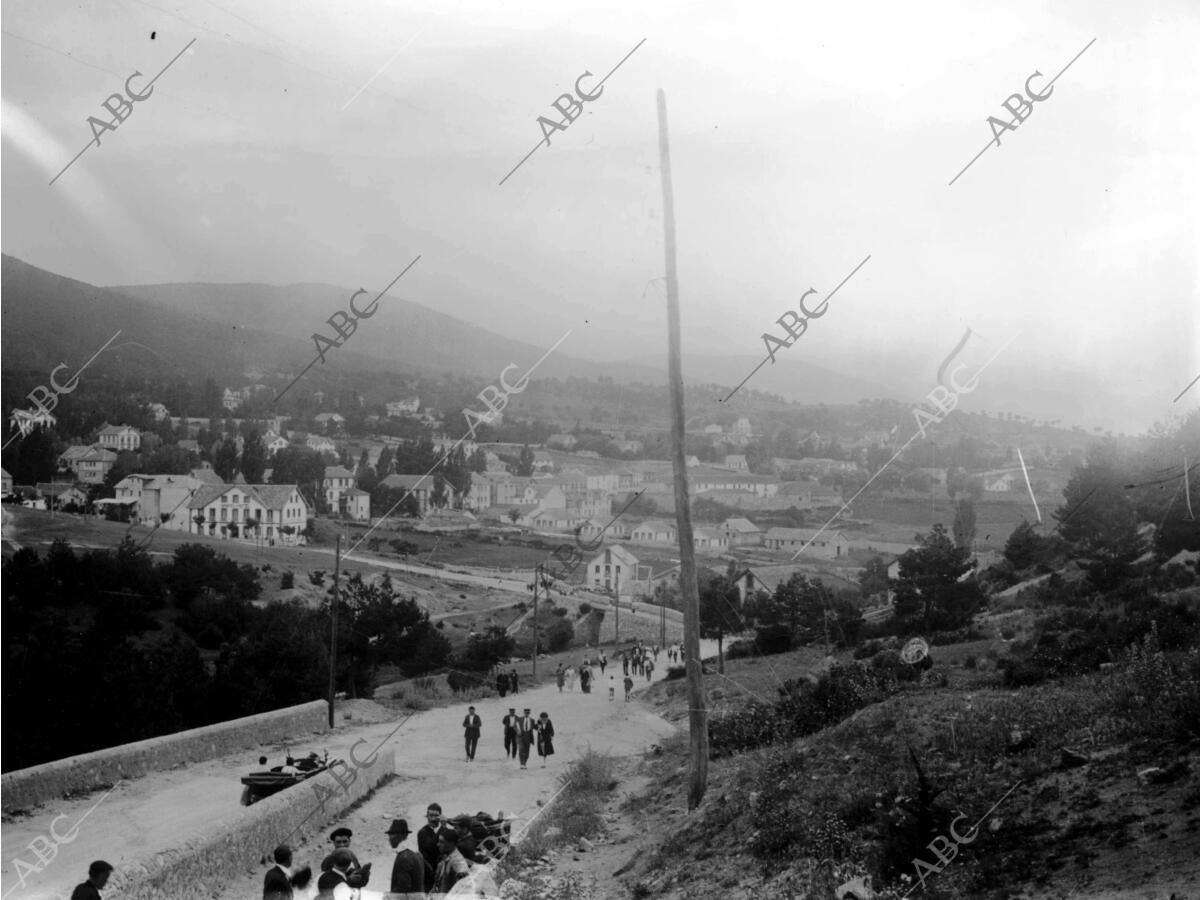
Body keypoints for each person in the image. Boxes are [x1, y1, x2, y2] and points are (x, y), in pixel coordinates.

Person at [385, 819, 425, 895]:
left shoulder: (404, 857)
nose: (389, 838)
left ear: (400, 835)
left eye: (391, 835)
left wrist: (388, 896)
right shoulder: (417, 853)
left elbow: (403, 889)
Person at [433, 827, 471, 894]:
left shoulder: (457, 863)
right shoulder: (448, 859)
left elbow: (464, 891)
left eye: (442, 842)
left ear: (452, 843)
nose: (438, 844)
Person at [417, 803, 443, 889]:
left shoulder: (444, 830)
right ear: (427, 816)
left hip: (442, 873)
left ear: (440, 816)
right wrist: (443, 827)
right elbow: (431, 847)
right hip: (428, 873)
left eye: (436, 816)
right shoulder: (422, 832)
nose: (433, 819)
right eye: (430, 815)